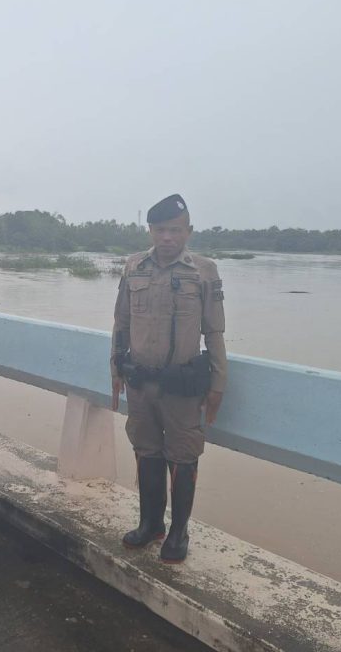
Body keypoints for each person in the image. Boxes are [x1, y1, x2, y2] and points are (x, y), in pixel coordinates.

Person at [110, 194, 227, 563]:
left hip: (181, 386)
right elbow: (121, 323)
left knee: (183, 456)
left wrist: (218, 385)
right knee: (145, 450)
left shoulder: (203, 271)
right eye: (160, 230)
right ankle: (150, 524)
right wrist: (115, 369)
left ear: (188, 232)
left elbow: (214, 332)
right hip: (140, 383)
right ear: (150, 230)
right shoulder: (134, 266)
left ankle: (178, 532)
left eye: (175, 230)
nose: (167, 237)